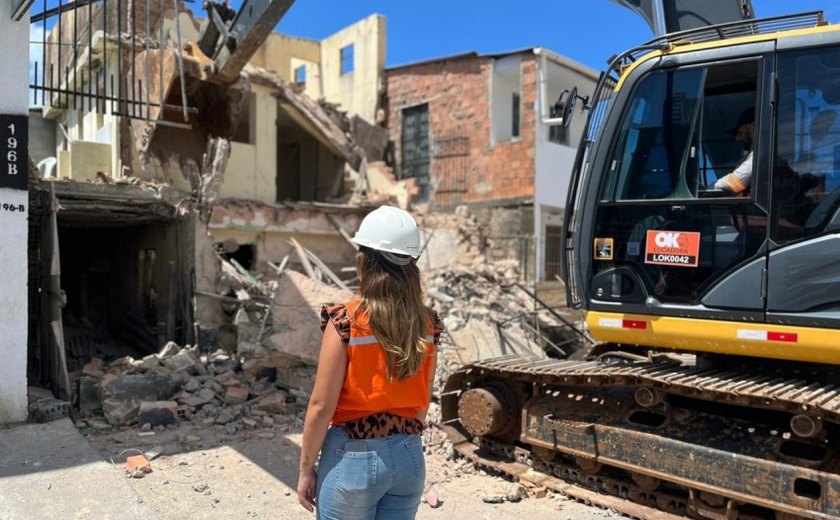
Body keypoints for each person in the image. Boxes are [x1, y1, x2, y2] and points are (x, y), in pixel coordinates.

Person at [297, 205, 443, 520]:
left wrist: (306, 468)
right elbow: (422, 401)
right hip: (409, 456)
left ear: (364, 261)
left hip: (353, 455)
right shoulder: (428, 323)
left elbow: (321, 406)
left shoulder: (346, 320)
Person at [715, 107, 755, 194]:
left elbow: (733, 183)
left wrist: (708, 189)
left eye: (740, 133)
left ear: (753, 128)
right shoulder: (749, 156)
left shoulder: (759, 156)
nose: (737, 139)